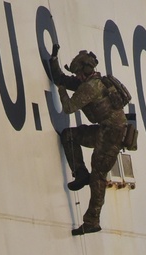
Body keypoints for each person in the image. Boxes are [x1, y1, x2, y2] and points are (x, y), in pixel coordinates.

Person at [49, 46, 128, 236]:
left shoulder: (90, 87)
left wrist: (60, 90)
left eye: (77, 73)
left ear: (84, 72)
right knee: (69, 136)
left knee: (98, 176)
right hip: (104, 131)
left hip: (112, 135)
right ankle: (81, 174)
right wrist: (54, 61)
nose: (76, 77)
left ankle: (92, 221)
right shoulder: (95, 82)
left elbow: (68, 107)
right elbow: (66, 79)